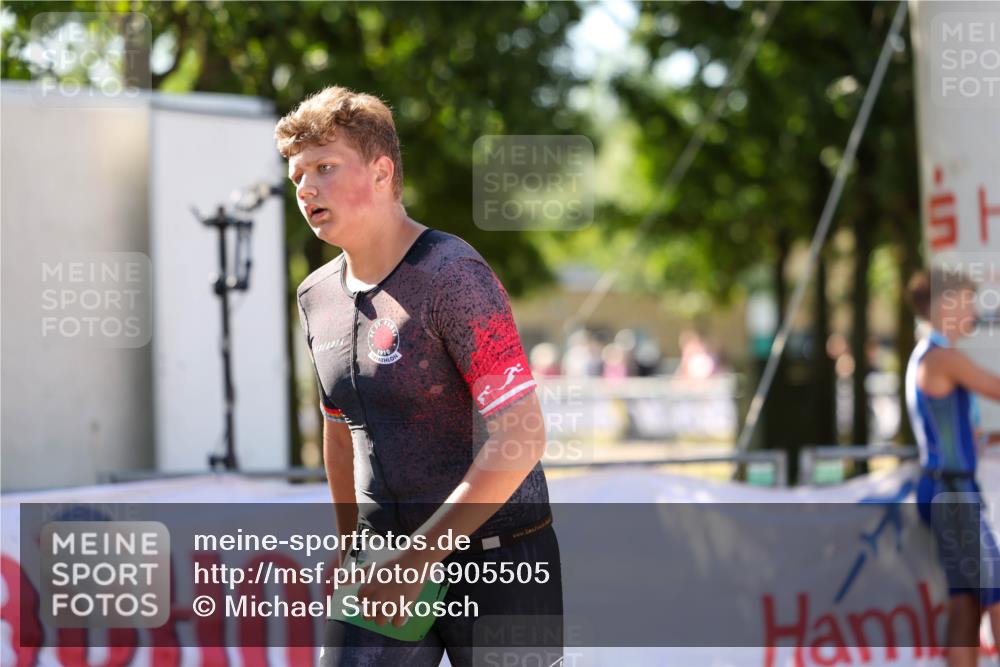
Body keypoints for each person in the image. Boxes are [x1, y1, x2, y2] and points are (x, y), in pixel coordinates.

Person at [276, 86, 563, 666]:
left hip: (503, 564)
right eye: (297, 173)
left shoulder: (455, 276)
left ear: (382, 173)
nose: (305, 188)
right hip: (382, 564)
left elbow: (524, 434)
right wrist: (350, 542)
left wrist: (422, 557)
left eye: (324, 168)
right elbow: (340, 428)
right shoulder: (316, 296)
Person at [905, 268, 1000, 666]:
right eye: (965, 302)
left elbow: (955, 433)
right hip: (954, 493)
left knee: (967, 601)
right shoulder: (943, 356)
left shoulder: (928, 355)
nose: (973, 312)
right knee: (995, 593)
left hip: (945, 490)